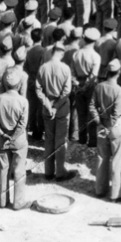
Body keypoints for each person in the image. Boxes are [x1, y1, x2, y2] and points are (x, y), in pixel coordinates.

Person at [0, 69, 31, 210]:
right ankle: (18, 203)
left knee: (3, 169)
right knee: (19, 170)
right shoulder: (23, 101)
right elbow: (22, 124)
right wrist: (13, 137)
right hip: (18, 139)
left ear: (5, 85)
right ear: (19, 85)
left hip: (2, 139)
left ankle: (2, 201)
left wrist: (2, 133)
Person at [89, 59, 121, 202]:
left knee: (101, 157)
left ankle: (100, 189)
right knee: (117, 160)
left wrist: (99, 122)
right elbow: (116, 113)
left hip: (101, 126)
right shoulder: (119, 90)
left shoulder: (99, 86)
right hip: (115, 128)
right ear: (118, 73)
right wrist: (109, 126)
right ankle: (116, 194)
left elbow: (92, 107)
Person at [35, 41, 75, 182]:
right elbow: (66, 92)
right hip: (61, 108)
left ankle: (48, 172)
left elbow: (38, 90)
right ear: (62, 53)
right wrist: (56, 106)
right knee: (61, 141)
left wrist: (48, 105)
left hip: (47, 108)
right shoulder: (65, 68)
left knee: (49, 140)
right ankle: (60, 173)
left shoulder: (43, 68)